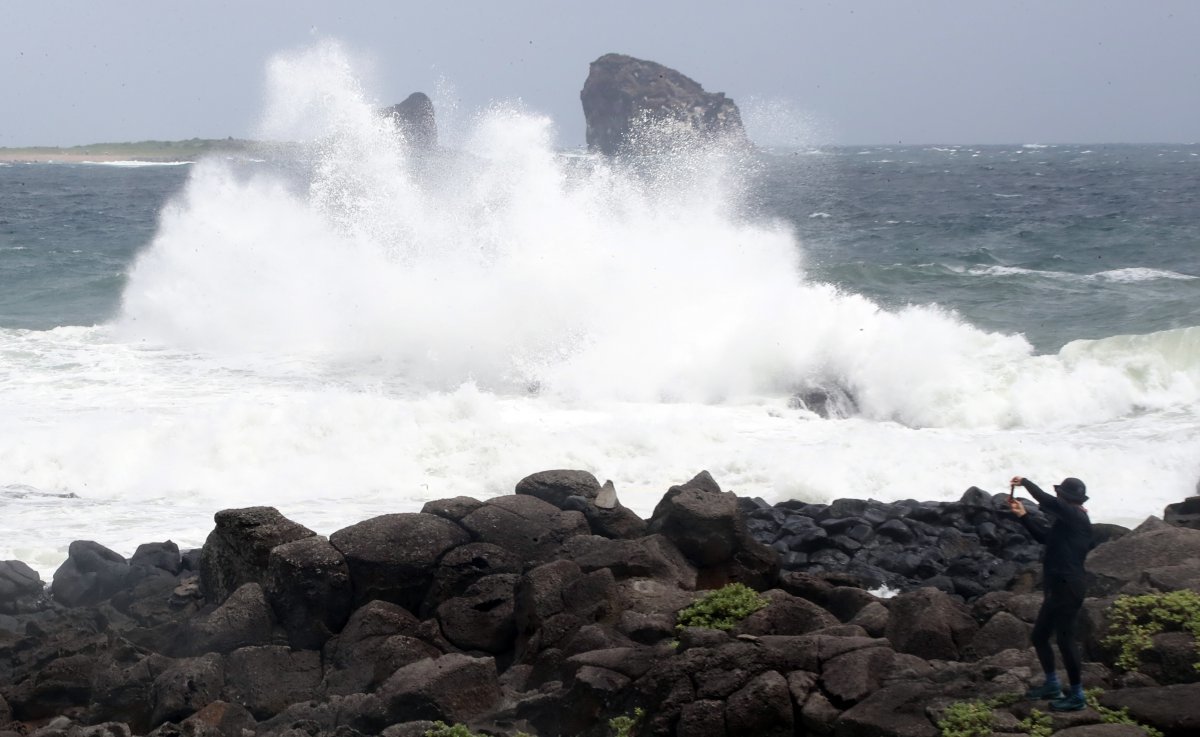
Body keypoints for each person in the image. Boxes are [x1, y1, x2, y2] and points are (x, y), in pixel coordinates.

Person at [1007, 475, 1093, 712]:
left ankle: (1077, 696)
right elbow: (1044, 538)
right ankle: (1052, 685)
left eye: (1059, 495)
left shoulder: (1076, 515)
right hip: (1057, 587)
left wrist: (1025, 481)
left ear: (1063, 497)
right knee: (1040, 637)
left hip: (1068, 587)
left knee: (1065, 640)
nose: (1056, 498)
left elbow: (1044, 499)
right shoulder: (1067, 521)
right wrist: (1023, 516)